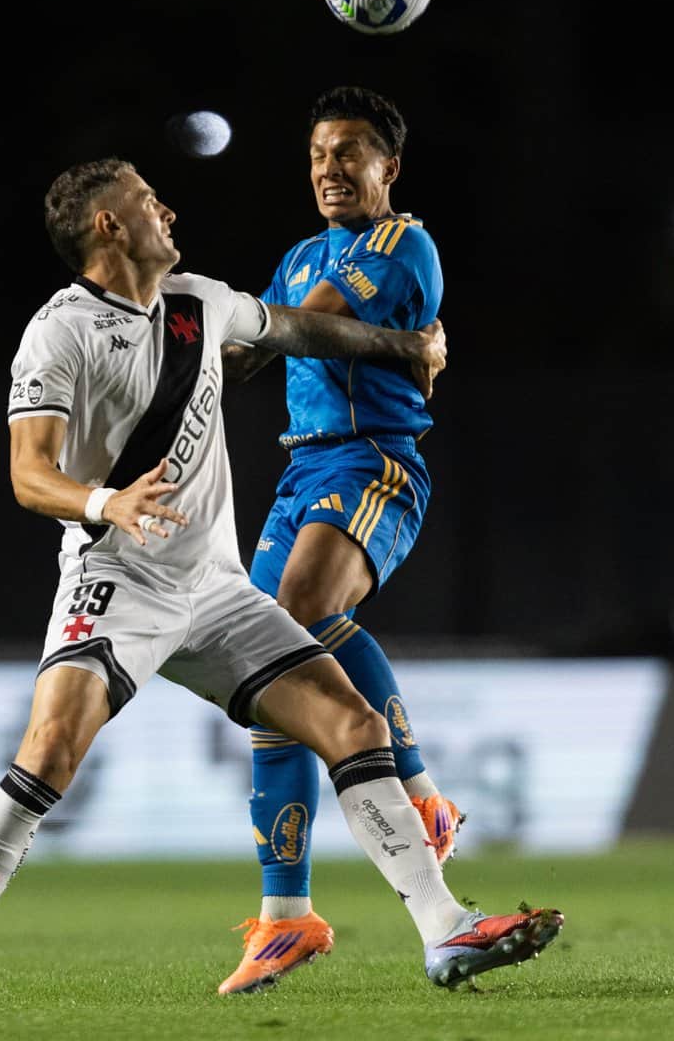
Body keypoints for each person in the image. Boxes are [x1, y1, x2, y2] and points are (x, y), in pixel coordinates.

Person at [0, 157, 562, 1006]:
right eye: (146, 200)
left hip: (215, 589)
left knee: (349, 723)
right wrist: (106, 501)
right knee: (51, 752)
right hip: (117, 579)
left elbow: (296, 329)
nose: (166, 208)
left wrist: (409, 346)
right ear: (108, 226)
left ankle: (444, 929)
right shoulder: (58, 333)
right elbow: (29, 474)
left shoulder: (199, 302)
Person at [217, 86, 460, 995]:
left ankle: (422, 795)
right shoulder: (294, 254)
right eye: (319, 153)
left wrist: (243, 325)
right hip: (297, 478)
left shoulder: (400, 242)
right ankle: (287, 917)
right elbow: (246, 357)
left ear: (387, 169)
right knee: (270, 677)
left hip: (370, 466)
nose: (330, 169)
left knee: (297, 620)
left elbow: (304, 325)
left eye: (350, 152)